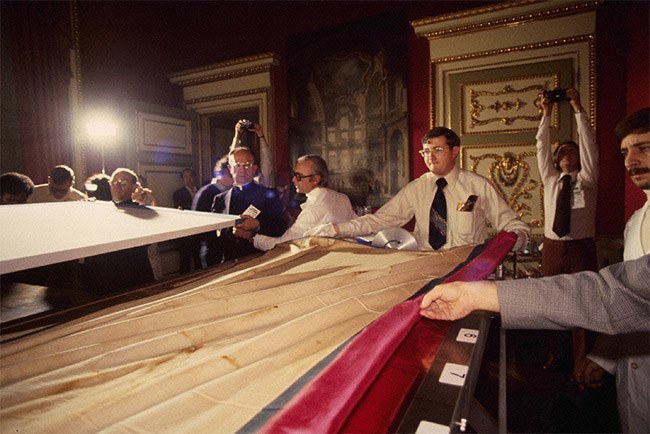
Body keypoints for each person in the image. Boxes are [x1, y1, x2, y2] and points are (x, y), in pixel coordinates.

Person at [305, 127, 530, 251]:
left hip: (467, 269)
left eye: (438, 150)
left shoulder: (477, 186)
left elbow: (510, 222)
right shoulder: (417, 188)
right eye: (425, 152)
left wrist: (516, 237)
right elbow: (380, 221)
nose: (430, 157)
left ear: (454, 152)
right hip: (424, 268)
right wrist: (336, 229)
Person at [572, 107, 650, 433]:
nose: (630, 161)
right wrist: (603, 355)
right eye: (625, 152)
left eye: (643, 148)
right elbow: (627, 299)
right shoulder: (635, 223)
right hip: (635, 382)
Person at [536, 88, 599, 370]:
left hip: (580, 247)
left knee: (582, 305)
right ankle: (551, 354)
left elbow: (589, 145)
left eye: (571, 151)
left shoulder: (587, 179)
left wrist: (577, 106)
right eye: (561, 151)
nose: (565, 154)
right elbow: (541, 145)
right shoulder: (550, 179)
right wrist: (546, 113)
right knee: (549, 302)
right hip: (552, 247)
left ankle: (580, 360)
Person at [236, 154, 357, 251]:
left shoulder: (313, 211)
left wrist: (251, 237)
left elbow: (284, 245)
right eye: (294, 175)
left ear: (315, 179)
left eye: (298, 176)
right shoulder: (342, 198)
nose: (293, 180)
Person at [82, 168, 158, 292]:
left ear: (134, 187)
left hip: (132, 272)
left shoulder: (143, 212)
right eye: (114, 182)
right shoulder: (97, 209)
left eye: (123, 183)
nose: (117, 186)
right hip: (101, 275)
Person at [209, 146, 286, 264]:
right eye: (237, 165)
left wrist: (258, 225)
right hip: (227, 264)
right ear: (230, 168)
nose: (242, 170)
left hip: (260, 261)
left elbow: (281, 228)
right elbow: (213, 239)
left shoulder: (269, 195)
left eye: (247, 165)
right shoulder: (219, 200)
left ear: (254, 168)